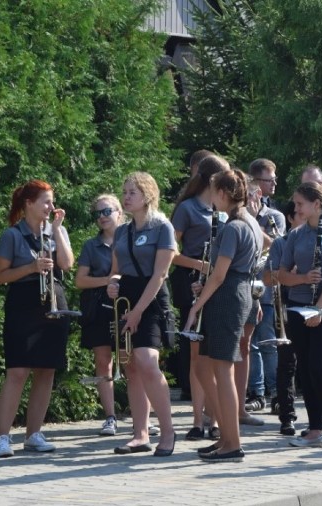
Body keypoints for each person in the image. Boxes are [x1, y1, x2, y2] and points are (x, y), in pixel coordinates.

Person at [0, 180, 75, 458]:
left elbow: (67, 264)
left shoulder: (54, 231)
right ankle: (2, 437)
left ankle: (33, 434)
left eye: (52, 202)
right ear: (29, 204)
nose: (51, 207)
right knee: (17, 371)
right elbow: (0, 276)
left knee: (46, 370)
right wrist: (31, 266)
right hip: (23, 303)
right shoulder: (12, 235)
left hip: (53, 300)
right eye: (46, 202)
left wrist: (59, 230)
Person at [184, 168, 264, 462]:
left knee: (223, 371)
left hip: (227, 296)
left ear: (223, 194)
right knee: (208, 367)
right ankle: (227, 439)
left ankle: (232, 443)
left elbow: (219, 275)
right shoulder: (248, 223)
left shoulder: (233, 227)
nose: (210, 199)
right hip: (237, 293)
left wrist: (196, 305)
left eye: (213, 192)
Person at [106, 172, 177, 457]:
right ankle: (140, 434)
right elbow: (116, 268)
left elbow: (160, 274)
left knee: (147, 361)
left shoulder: (163, 227)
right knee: (131, 366)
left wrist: (137, 312)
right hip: (127, 296)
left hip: (151, 298)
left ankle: (169, 432)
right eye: (124, 192)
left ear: (147, 195)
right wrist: (113, 281)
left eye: (131, 192)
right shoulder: (122, 231)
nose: (125, 197)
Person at [279, 181, 322, 449]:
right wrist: (303, 277)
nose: (295, 208)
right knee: (305, 370)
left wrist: (319, 309)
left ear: (316, 204)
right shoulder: (295, 235)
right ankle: (314, 428)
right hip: (298, 305)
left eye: (300, 204)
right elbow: (282, 275)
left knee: (319, 367)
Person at [170, 155, 229, 441]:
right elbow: (169, 252)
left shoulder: (225, 209)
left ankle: (215, 419)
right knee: (196, 354)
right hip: (191, 278)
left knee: (215, 353)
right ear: (212, 179)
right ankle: (196, 421)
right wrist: (199, 266)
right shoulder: (187, 208)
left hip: (218, 281)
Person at [75, 194, 125, 436]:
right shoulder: (90, 246)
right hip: (100, 307)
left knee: (135, 362)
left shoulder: (131, 239)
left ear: (119, 212)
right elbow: (80, 281)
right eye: (98, 213)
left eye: (107, 211)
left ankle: (143, 419)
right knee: (103, 362)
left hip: (128, 306)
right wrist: (109, 280)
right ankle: (110, 417)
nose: (102, 217)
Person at [245, 169, 287, 414]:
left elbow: (276, 246)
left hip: (268, 291)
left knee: (269, 343)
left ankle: (277, 393)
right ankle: (257, 393)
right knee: (250, 345)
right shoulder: (237, 217)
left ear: (257, 194)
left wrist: (252, 221)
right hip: (246, 290)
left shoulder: (275, 217)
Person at [264, 200, 300, 434]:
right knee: (286, 363)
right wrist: (287, 275)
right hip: (286, 307)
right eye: (299, 213)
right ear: (291, 218)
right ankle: (287, 416)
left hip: (313, 307)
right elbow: (268, 277)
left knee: (312, 365)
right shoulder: (281, 243)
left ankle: (319, 420)